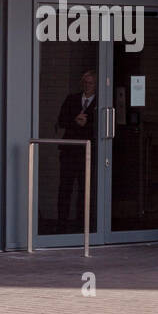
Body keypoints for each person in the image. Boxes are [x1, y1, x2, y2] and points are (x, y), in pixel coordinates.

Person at [55, 70, 97, 234]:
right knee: (65, 188)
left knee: (84, 190)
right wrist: (75, 121)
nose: (87, 86)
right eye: (85, 82)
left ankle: (82, 226)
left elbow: (103, 127)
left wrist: (87, 123)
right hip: (69, 151)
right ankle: (61, 226)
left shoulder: (100, 102)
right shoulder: (71, 99)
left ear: (96, 85)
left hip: (87, 152)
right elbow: (61, 121)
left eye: (91, 83)